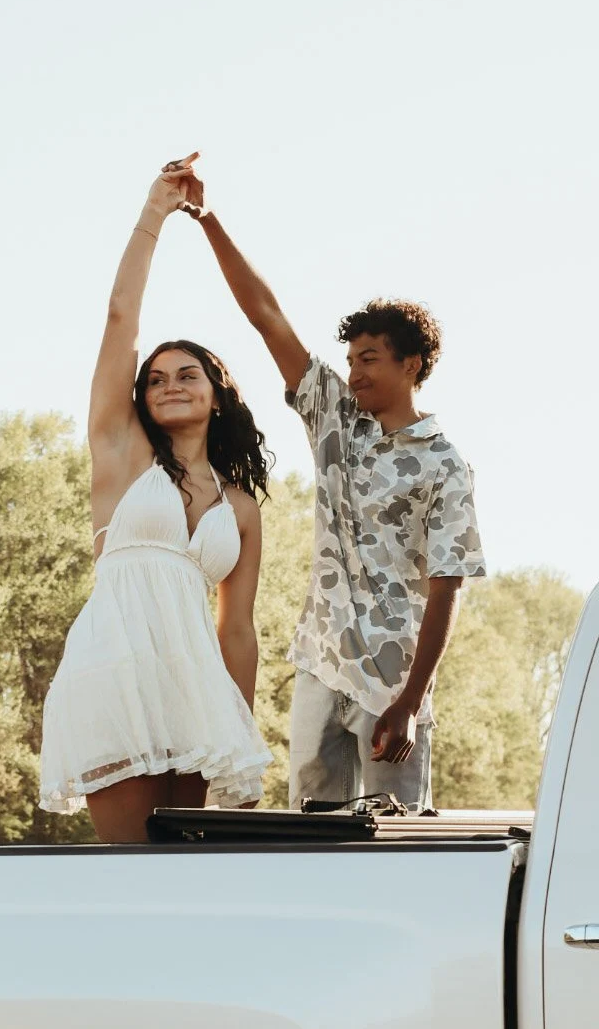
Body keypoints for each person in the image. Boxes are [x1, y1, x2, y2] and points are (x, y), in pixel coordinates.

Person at [173, 162, 486, 812]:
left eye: (368, 359)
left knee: (394, 841)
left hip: (394, 683)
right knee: (310, 832)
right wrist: (208, 220)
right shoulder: (336, 422)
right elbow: (266, 317)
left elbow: (447, 585)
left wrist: (410, 700)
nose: (355, 372)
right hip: (320, 664)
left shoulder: (445, 464)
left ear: (411, 364)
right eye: (350, 361)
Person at [38, 157, 273, 842]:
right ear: (139, 397)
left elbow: (238, 630)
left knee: (182, 872)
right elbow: (120, 320)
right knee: (129, 866)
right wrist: (156, 214)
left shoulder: (243, 508)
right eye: (156, 378)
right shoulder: (123, 455)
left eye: (187, 373)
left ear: (216, 391)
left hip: (194, 685)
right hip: (115, 672)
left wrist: (241, 734)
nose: (169, 383)